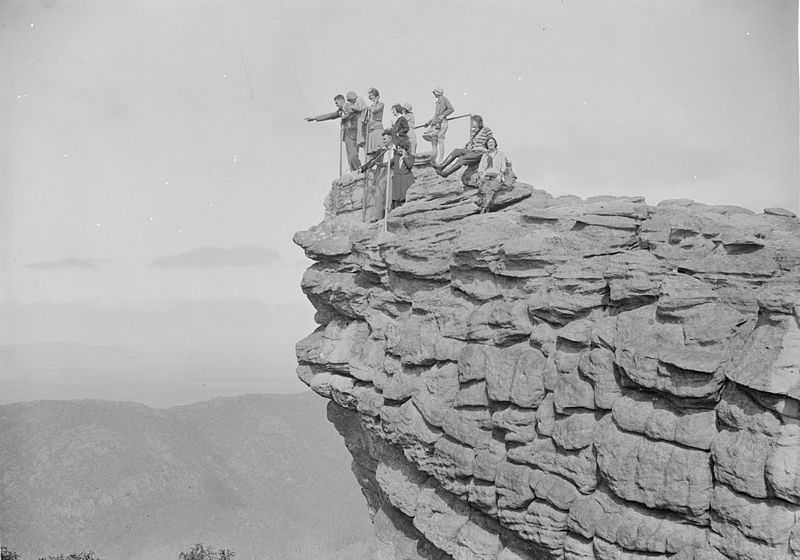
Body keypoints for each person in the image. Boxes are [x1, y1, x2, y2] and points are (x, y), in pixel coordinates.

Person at [305, 93, 362, 172]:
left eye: (336, 103)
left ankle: (360, 171)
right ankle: (354, 173)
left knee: (353, 156)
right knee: (349, 157)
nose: (336, 105)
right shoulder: (341, 110)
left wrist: (344, 115)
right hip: (346, 135)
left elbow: (351, 113)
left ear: (341, 101)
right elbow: (331, 115)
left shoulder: (350, 106)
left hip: (353, 134)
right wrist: (315, 118)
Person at [360, 130, 394, 222]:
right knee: (379, 193)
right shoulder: (381, 150)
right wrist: (364, 168)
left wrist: (383, 164)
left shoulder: (395, 149)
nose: (383, 141)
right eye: (383, 139)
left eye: (385, 139)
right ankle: (378, 217)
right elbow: (373, 160)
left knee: (390, 193)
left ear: (391, 138)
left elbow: (395, 161)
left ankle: (390, 214)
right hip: (381, 171)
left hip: (390, 171)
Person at [476, 137, 509, 212]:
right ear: (487, 145)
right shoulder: (484, 155)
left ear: (495, 144)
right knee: (484, 190)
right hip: (486, 176)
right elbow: (480, 168)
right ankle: (487, 208)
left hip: (496, 176)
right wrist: (481, 176)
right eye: (489, 142)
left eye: (492, 142)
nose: (491, 144)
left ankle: (484, 208)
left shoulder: (500, 154)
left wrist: (500, 176)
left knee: (491, 190)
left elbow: (503, 167)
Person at [423, 87, 454, 164]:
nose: (434, 94)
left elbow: (451, 109)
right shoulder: (438, 102)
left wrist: (443, 115)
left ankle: (440, 159)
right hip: (435, 124)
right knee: (433, 141)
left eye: (434, 93)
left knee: (440, 140)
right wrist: (429, 122)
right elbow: (436, 115)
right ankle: (433, 160)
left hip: (442, 123)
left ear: (437, 93)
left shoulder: (444, 99)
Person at [391, 141, 415, 208]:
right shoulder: (396, 157)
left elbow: (409, 166)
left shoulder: (411, 157)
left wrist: (404, 156)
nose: (399, 150)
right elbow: (388, 163)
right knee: (396, 199)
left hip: (406, 181)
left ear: (405, 149)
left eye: (400, 148)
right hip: (398, 181)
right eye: (398, 148)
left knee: (405, 198)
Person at [346, 90, 369, 156]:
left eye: (350, 100)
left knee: (363, 138)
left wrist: (351, 107)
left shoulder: (359, 99)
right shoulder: (357, 101)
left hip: (363, 121)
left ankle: (367, 155)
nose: (351, 102)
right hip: (361, 121)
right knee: (362, 139)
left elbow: (359, 108)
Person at [366, 88, 385, 156]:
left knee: (378, 153)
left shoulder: (381, 104)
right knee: (372, 155)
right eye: (370, 96)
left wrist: (376, 100)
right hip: (372, 131)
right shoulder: (372, 106)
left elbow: (374, 111)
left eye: (372, 95)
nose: (371, 97)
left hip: (378, 130)